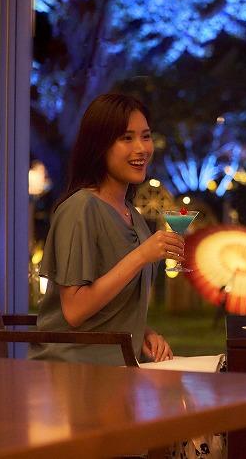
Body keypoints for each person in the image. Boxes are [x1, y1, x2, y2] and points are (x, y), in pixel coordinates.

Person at [29, 93, 185, 366]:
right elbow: (75, 310)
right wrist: (141, 256)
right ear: (99, 146)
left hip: (120, 364)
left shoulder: (131, 214)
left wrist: (143, 333)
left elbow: (111, 306)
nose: (141, 148)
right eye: (126, 138)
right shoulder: (80, 209)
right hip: (74, 369)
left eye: (146, 136)